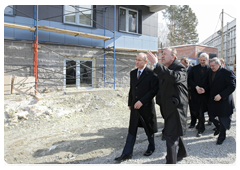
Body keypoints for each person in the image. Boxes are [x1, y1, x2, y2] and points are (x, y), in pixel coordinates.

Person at [146, 48, 188, 166]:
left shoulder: (180, 68)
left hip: (176, 108)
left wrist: (156, 64)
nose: (162, 56)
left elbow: (173, 77)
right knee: (175, 132)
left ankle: (170, 164)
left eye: (165, 54)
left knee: (170, 136)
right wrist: (153, 67)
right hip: (167, 107)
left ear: (173, 57)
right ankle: (183, 152)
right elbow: (158, 81)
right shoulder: (166, 69)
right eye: (161, 54)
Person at [114, 53, 159, 162]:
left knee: (149, 129)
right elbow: (132, 89)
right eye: (136, 59)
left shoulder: (152, 74)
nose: (137, 62)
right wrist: (130, 103)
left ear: (145, 62)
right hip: (135, 106)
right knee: (132, 129)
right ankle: (127, 153)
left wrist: (142, 101)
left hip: (146, 107)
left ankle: (151, 147)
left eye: (139, 60)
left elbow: (153, 91)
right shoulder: (133, 73)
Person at [208, 57, 236, 145]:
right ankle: (219, 127)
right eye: (210, 66)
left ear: (219, 64)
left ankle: (222, 136)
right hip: (213, 100)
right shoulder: (210, 72)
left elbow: (232, 86)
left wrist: (221, 95)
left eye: (213, 66)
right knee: (212, 117)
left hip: (224, 100)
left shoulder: (227, 73)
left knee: (223, 119)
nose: (211, 67)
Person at [188, 53, 211, 137]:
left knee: (201, 112)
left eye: (204, 60)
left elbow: (211, 83)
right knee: (195, 111)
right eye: (201, 60)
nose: (202, 62)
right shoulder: (194, 69)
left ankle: (201, 128)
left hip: (205, 94)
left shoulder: (210, 70)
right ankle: (199, 123)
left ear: (207, 60)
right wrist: (196, 87)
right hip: (195, 93)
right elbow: (189, 80)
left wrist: (204, 89)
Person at [180, 57, 196, 128]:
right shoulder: (181, 70)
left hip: (191, 92)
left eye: (182, 64)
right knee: (184, 108)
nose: (181, 65)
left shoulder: (193, 69)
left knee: (193, 108)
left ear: (187, 63)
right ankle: (184, 122)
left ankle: (193, 122)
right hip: (184, 92)